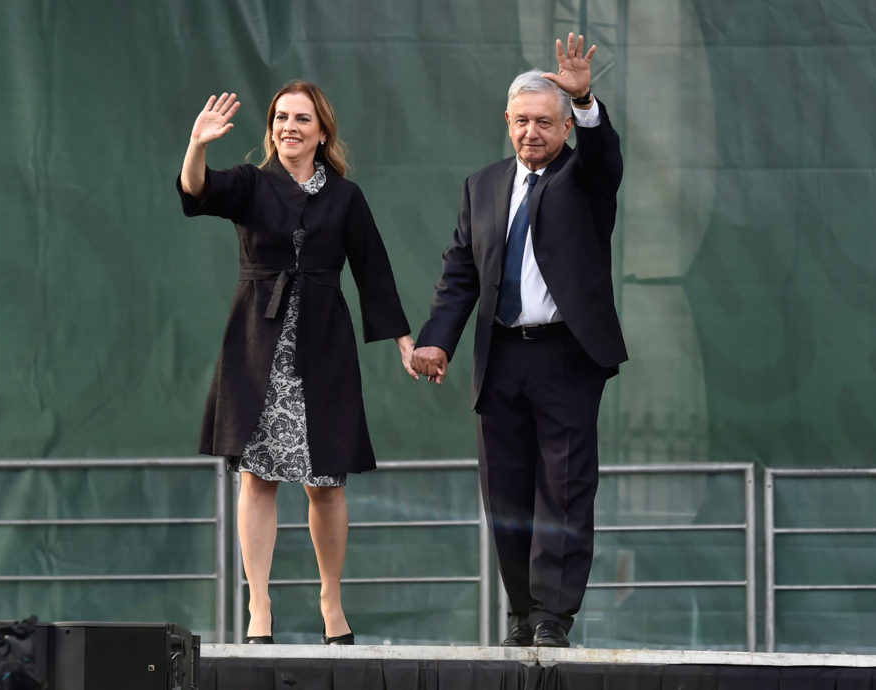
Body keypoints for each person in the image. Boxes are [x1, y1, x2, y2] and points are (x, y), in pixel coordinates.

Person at [177, 81, 416, 645]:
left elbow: (373, 271)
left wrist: (405, 341)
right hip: (257, 344)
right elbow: (196, 191)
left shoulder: (346, 197)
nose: (290, 126)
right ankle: (259, 607)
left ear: (322, 130)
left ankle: (331, 599)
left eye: (302, 118)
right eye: (281, 117)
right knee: (257, 477)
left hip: (324, 345)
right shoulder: (250, 183)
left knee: (326, 482)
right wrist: (197, 145)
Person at [410, 34, 627, 648]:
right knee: (505, 489)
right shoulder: (482, 186)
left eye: (546, 122)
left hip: (566, 356)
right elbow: (459, 273)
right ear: (507, 122)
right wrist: (436, 342)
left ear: (563, 127)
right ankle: (522, 612)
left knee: (563, 488)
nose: (533, 132)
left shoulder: (585, 177)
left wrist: (586, 101)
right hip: (499, 355)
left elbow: (606, 156)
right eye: (522, 121)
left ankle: (554, 618)